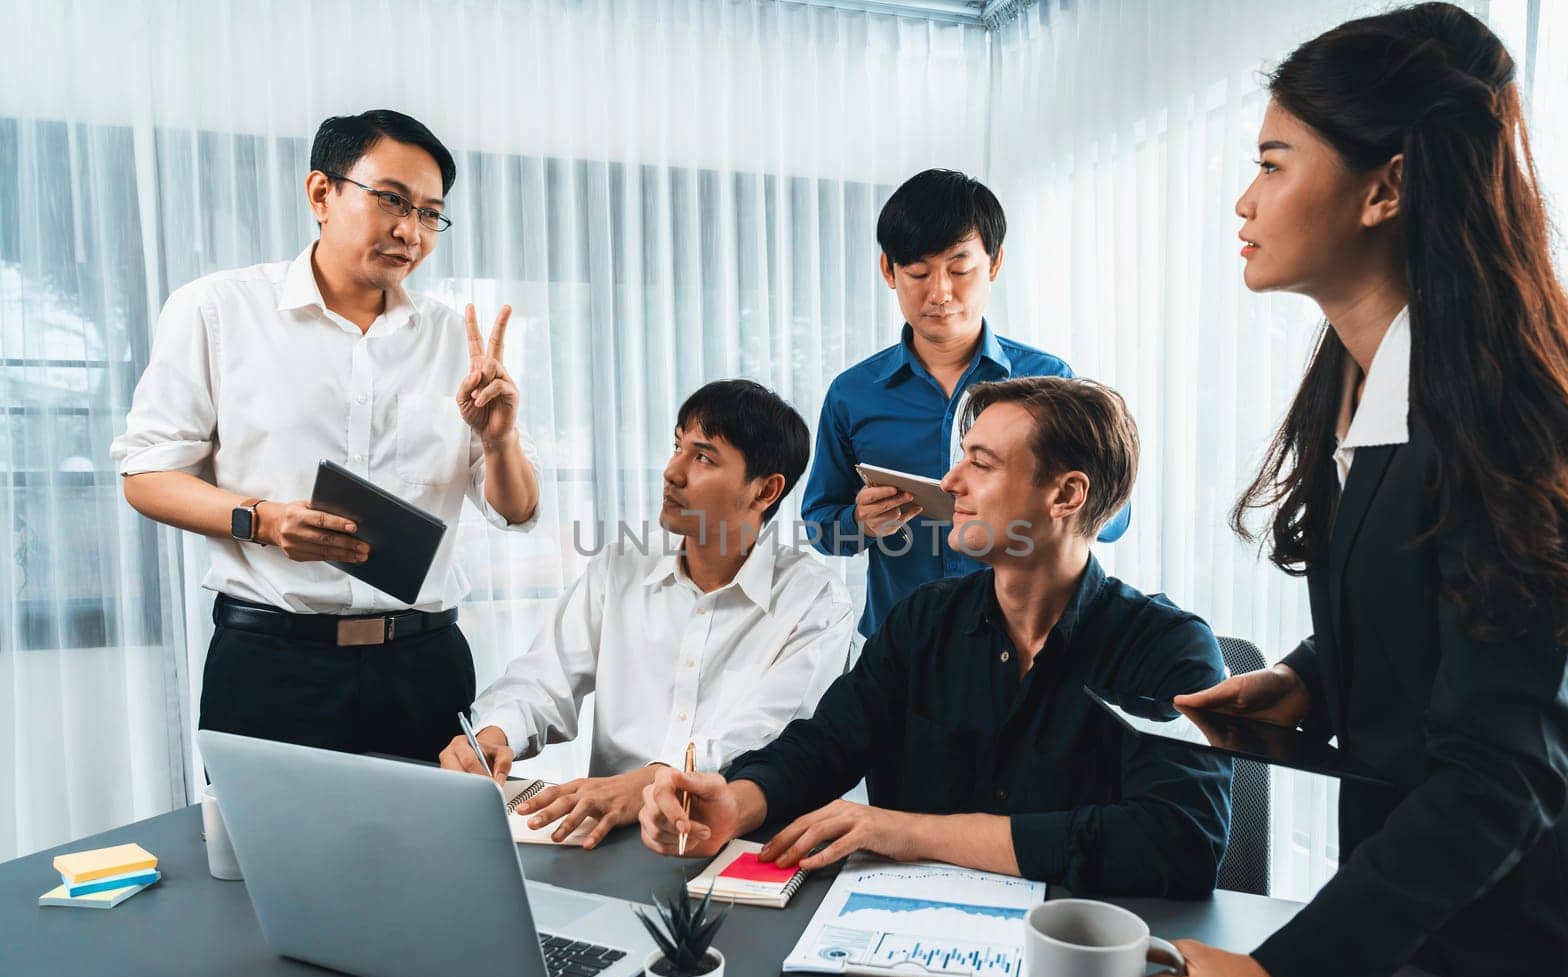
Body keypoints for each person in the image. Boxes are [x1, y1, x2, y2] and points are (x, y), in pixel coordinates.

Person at [1071, 6, 1568, 977]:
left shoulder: (1503, 414)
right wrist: (1314, 674)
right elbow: (1452, 604)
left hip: (1512, 966)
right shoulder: (1364, 379)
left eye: (1272, 163)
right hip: (1414, 933)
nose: (1244, 198)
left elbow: (1504, 767)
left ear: (1385, 188)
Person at [639, 377, 1230, 895]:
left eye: (982, 463)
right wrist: (735, 804)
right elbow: (826, 744)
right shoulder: (922, 620)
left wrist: (903, 830)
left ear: (1066, 495)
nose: (949, 483)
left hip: (1080, 953)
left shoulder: (1168, 649)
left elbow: (1180, 841)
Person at [112, 110, 540, 762]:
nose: (411, 231)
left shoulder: (458, 339)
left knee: (432, 862)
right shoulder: (218, 310)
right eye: (392, 200)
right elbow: (145, 474)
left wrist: (499, 440)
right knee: (266, 864)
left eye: (430, 213)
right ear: (321, 193)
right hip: (270, 665)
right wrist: (259, 520)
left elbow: (517, 510)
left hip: (423, 666)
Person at [439, 380, 853, 849]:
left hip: (735, 841)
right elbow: (541, 679)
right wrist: (496, 735)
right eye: (677, 447)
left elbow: (766, 736)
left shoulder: (817, 602)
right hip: (604, 835)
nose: (672, 472)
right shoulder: (621, 568)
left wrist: (646, 784)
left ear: (765, 491)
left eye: (703, 457)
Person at [801, 169, 1130, 639]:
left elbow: (1114, 518)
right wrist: (860, 522)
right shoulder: (853, 394)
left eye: (960, 269)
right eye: (917, 272)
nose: (939, 293)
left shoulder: (1048, 380)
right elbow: (820, 529)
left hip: (1027, 644)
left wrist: (1051, 504)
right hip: (903, 645)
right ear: (888, 271)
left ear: (993, 265)